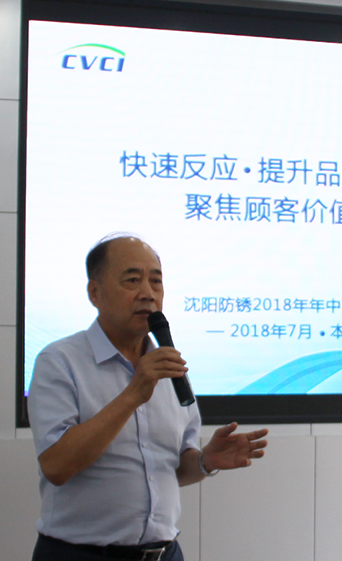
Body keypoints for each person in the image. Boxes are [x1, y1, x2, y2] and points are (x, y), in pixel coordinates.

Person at [28, 234, 269, 561]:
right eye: (132, 280)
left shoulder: (170, 367)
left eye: (156, 282)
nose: (148, 293)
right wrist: (133, 394)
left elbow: (173, 468)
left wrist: (205, 461)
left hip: (165, 552)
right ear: (94, 292)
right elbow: (56, 466)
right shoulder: (60, 361)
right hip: (80, 554)